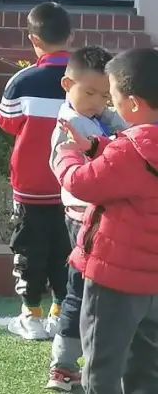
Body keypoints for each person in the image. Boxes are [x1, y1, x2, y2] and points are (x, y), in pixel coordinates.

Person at [53, 48, 158, 394]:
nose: (108, 105)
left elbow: (83, 183)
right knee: (147, 365)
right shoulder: (136, 151)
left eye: (112, 98)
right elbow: (132, 172)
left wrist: (66, 156)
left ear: (133, 104)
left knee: (102, 363)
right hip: (152, 281)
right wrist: (95, 147)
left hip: (115, 280)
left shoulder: (130, 151)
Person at [47, 46, 125, 391]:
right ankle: (63, 365)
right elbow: (107, 154)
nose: (98, 102)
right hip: (84, 220)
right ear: (68, 85)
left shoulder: (91, 115)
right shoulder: (73, 123)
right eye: (90, 93)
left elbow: (121, 128)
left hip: (93, 217)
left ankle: (73, 365)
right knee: (80, 294)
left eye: (105, 95)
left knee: (89, 294)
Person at [0, 1, 74, 340]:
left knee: (28, 249)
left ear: (33, 40)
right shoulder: (85, 80)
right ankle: (60, 313)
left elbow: (6, 122)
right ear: (71, 36)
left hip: (30, 186)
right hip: (73, 186)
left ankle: (31, 315)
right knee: (66, 250)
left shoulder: (23, 81)